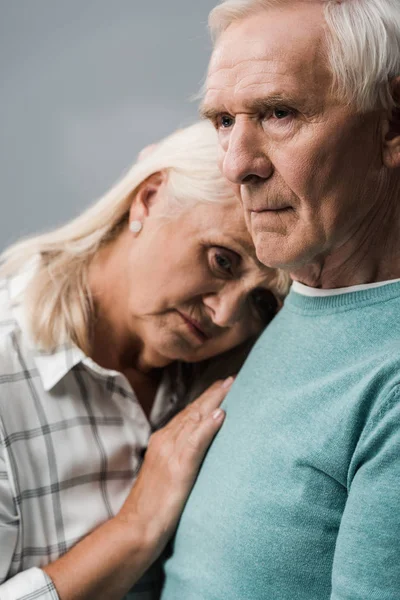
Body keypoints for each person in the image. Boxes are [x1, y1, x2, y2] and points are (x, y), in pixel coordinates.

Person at [161, 1, 400, 599]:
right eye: (222, 121)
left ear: (392, 124)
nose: (237, 164)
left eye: (279, 113)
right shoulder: (263, 313)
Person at [0, 121, 289, 600]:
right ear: (150, 198)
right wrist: (136, 526)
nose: (225, 313)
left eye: (260, 302)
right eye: (223, 260)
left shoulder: (225, 385)